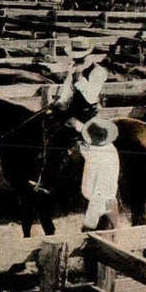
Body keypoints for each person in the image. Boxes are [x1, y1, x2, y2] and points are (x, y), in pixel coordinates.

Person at [33, 36, 110, 196]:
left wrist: (79, 79)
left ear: (88, 54)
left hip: (87, 115)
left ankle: (48, 182)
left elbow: (90, 96)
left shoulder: (98, 72)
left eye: (80, 55)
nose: (77, 58)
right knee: (45, 123)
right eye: (75, 55)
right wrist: (59, 103)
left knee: (60, 138)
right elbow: (68, 93)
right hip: (72, 110)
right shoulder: (74, 67)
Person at [78, 118, 121, 232]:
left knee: (101, 243)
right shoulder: (110, 149)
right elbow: (90, 153)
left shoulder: (99, 159)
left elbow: (98, 196)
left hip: (101, 210)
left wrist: (88, 224)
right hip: (110, 203)